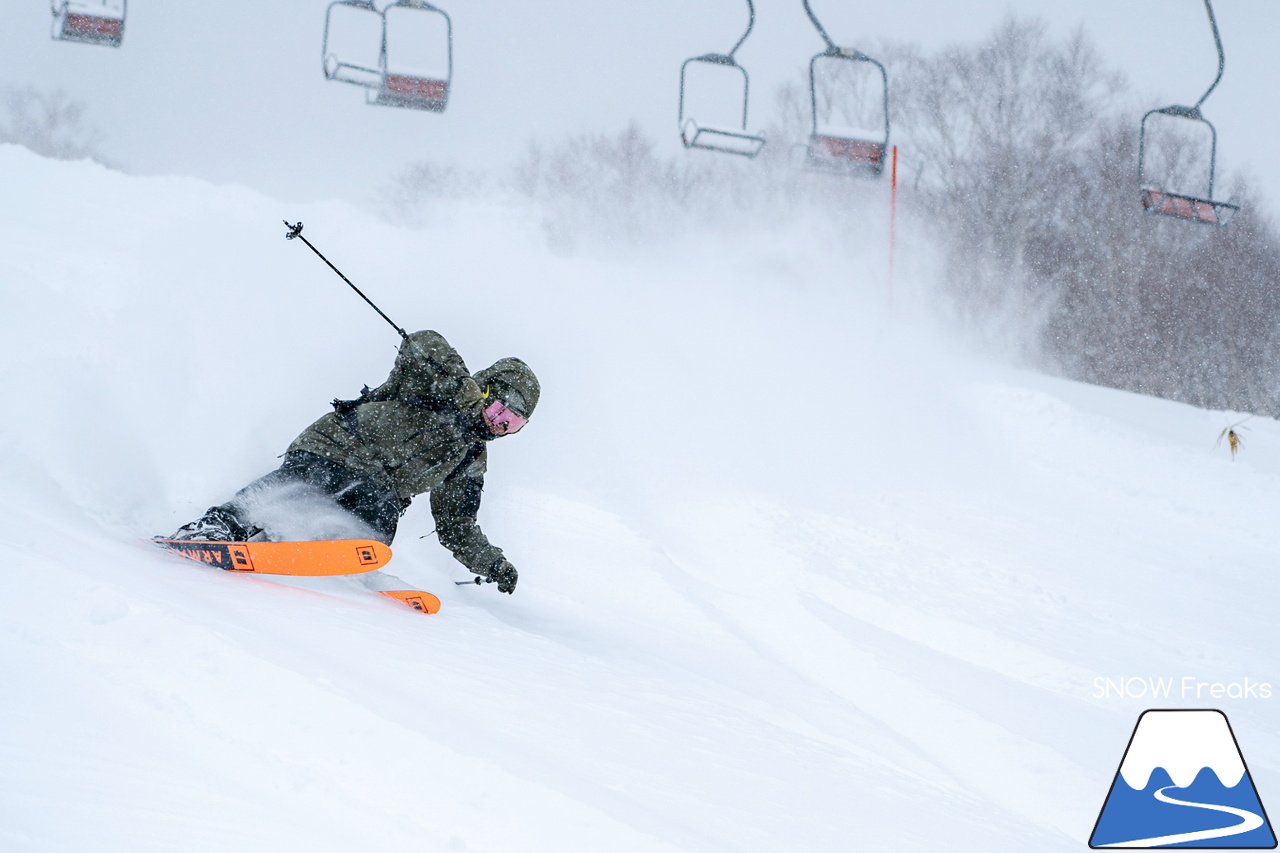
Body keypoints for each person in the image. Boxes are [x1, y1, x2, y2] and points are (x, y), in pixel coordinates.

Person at [167, 330, 538, 594]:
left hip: (378, 492)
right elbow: (421, 342)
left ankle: (299, 548)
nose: (500, 423)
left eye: (513, 423)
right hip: (337, 448)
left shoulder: (471, 458)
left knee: (380, 521)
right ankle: (221, 524)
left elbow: (457, 523)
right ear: (484, 389)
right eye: (498, 408)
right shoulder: (440, 385)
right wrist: (458, 382)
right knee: (301, 485)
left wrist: (492, 563)